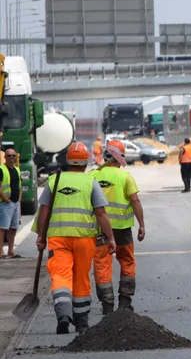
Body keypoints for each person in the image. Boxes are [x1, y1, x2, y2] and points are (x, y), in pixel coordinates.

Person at [35, 143, 115, 334]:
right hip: (84, 239)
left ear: (67, 160)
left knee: (61, 276)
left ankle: (63, 315)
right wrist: (111, 238)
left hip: (58, 238)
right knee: (81, 278)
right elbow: (101, 213)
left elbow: (44, 211)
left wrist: (41, 236)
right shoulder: (90, 182)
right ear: (86, 162)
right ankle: (81, 322)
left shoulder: (54, 180)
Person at [90, 140, 146, 314]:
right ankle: (124, 301)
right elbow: (135, 201)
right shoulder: (125, 176)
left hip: (100, 230)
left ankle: (107, 304)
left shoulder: (93, 176)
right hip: (122, 229)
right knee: (127, 261)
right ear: (119, 157)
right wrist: (142, 224)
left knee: (102, 264)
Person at [1, 149, 20, 258]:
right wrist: (5, 198)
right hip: (5, 203)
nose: (12, 158)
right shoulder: (1, 170)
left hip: (15, 202)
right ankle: (1, 252)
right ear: (5, 157)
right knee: (3, 227)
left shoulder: (16, 170)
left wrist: (19, 199)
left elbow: (19, 185)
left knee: (13, 227)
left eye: (13, 156)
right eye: (9, 156)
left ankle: (11, 251)